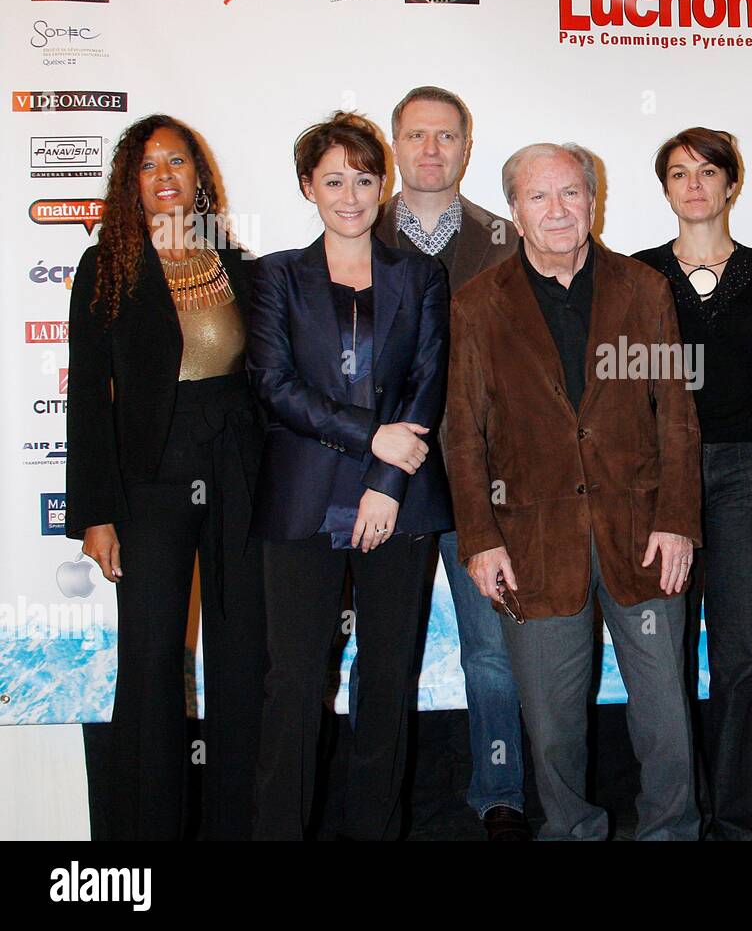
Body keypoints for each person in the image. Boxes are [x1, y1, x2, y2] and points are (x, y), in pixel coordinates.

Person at [444, 142, 702, 841]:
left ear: (594, 200)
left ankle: (671, 832)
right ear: (515, 211)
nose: (557, 210)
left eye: (570, 193)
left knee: (666, 716)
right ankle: (571, 831)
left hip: (645, 535)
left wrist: (678, 519)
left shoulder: (644, 290)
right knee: (552, 724)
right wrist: (480, 538)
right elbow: (462, 434)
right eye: (539, 196)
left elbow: (676, 414)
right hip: (531, 542)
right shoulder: (476, 305)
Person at [246, 112, 452, 840]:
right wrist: (372, 439)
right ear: (308, 187)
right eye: (333, 179)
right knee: (296, 682)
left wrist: (385, 481)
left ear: (382, 182)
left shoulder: (421, 275)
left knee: (388, 680)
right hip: (303, 498)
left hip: (398, 501)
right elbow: (273, 385)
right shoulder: (274, 276)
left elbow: (428, 382)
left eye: (364, 179)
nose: (351, 194)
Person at [66, 114, 265, 840]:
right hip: (149, 473)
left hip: (237, 461)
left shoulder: (236, 264)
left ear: (198, 176)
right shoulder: (105, 268)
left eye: (178, 161)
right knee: (151, 656)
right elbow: (88, 393)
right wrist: (95, 512)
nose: (165, 176)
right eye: (149, 166)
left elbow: (265, 379)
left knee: (243, 651)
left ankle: (238, 825)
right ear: (132, 183)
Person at [371, 86, 528, 841]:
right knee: (383, 651)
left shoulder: (510, 238)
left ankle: (501, 794)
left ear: (468, 147)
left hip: (483, 481)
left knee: (492, 653)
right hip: (383, 480)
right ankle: (374, 805)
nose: (431, 150)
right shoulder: (355, 232)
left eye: (446, 137)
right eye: (416, 136)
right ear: (395, 145)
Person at [633, 127, 752, 840]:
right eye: (678, 172)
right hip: (660, 481)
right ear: (664, 189)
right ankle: (677, 814)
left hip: (747, 472)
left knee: (738, 653)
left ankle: (739, 818)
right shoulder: (632, 276)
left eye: (707, 171)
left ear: (732, 183)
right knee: (663, 658)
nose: (693, 184)